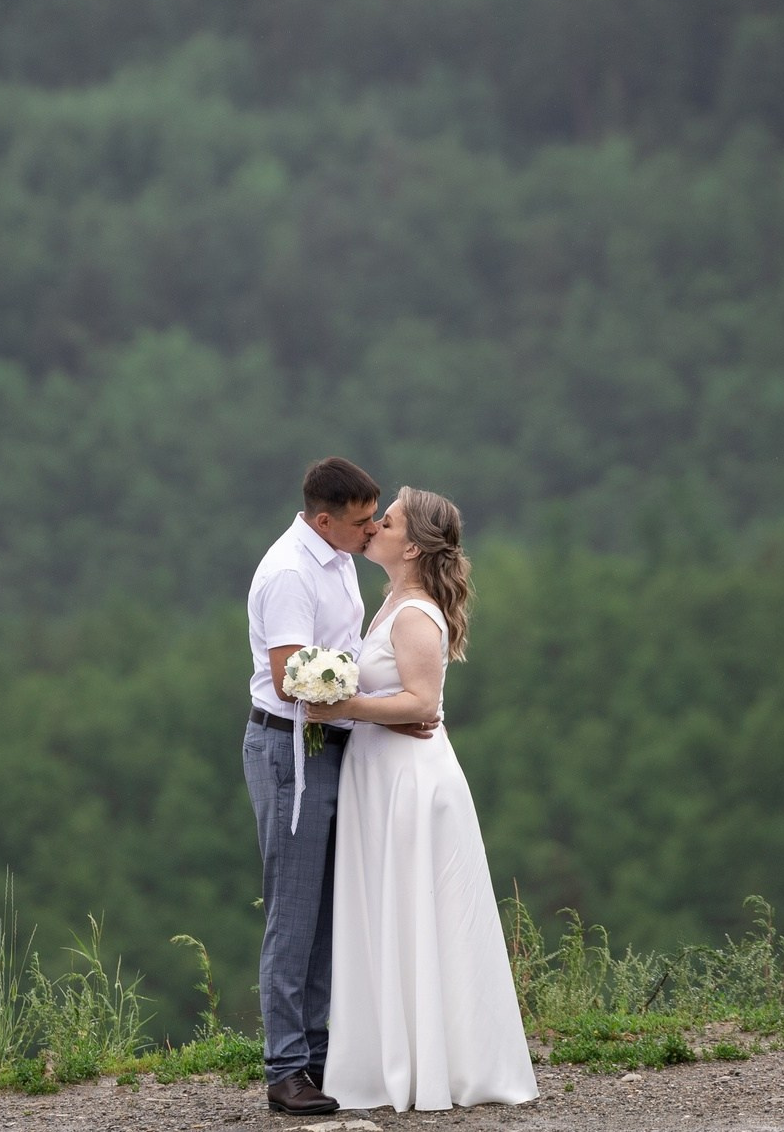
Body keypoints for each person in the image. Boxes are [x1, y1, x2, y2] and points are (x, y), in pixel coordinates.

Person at [308, 486, 539, 1113]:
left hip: (408, 782)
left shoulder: (414, 613)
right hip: (381, 774)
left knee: (417, 910)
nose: (373, 527)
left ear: (411, 547)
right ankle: (397, 1058)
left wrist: (341, 705)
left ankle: (436, 1065)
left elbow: (423, 703)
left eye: (386, 522)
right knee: (393, 910)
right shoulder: (393, 601)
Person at [244, 456, 431, 1117]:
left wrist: (383, 709)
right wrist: (377, 708)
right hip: (290, 748)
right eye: (361, 521)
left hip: (333, 744)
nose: (372, 529)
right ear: (324, 520)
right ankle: (285, 1067)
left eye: (375, 517)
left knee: (329, 911)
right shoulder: (291, 573)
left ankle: (320, 1057)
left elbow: (342, 655)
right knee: (294, 912)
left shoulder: (340, 558)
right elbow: (291, 677)